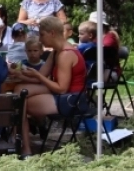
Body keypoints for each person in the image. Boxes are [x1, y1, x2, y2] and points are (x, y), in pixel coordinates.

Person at [14, 16, 89, 157]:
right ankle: (22, 139)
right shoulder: (56, 51)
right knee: (19, 91)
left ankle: (24, 147)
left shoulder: (66, 55)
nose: (40, 40)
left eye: (42, 35)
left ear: (52, 33)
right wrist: (19, 75)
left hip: (72, 100)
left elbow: (61, 88)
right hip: (65, 94)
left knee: (20, 104)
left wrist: (37, 77)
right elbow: (41, 74)